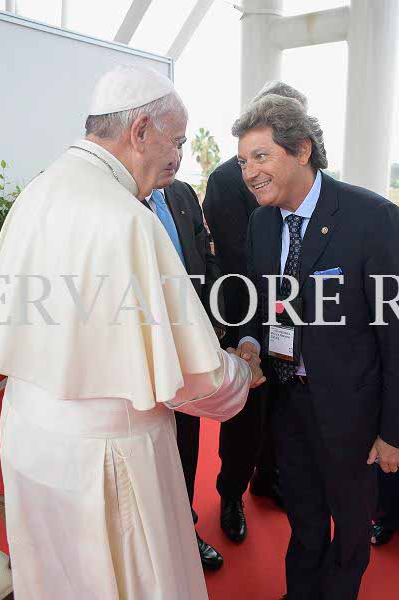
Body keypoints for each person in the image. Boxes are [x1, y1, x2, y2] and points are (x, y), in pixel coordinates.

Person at [0, 65, 265, 600]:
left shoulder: (37, 193)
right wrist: (242, 372)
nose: (178, 159)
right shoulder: (127, 219)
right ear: (140, 130)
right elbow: (193, 378)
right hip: (108, 458)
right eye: (177, 142)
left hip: (29, 442)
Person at [234, 93, 399, 599]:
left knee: (350, 530)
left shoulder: (373, 218)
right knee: (304, 521)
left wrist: (393, 432)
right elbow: (261, 305)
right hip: (287, 403)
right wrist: (249, 342)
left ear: (302, 149)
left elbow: (395, 338)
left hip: (353, 414)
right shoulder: (261, 223)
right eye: (243, 162)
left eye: (261, 156)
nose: (249, 173)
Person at [203, 81, 307, 541]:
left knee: (282, 407)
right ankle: (231, 494)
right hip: (246, 313)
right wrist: (252, 328)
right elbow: (235, 263)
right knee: (245, 414)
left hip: (293, 317)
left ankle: (269, 477)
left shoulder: (302, 174)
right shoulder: (226, 180)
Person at [143, 149, 226, 570]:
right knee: (148, 452)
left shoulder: (182, 194)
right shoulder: (117, 202)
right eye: (171, 141)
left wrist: (213, 322)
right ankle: (152, 547)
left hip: (188, 351)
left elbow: (205, 258)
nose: (176, 155)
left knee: (186, 443)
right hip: (142, 355)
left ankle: (185, 529)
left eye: (183, 143)